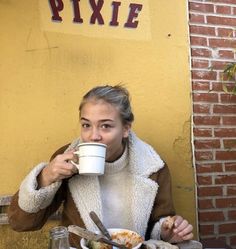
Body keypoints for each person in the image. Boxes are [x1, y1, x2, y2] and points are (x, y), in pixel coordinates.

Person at [8, 85, 193, 248]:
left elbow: (159, 223)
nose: (93, 136)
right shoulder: (67, 158)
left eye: (105, 126)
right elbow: (20, 223)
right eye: (86, 125)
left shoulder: (153, 167)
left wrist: (167, 231)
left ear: (126, 129)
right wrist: (45, 177)